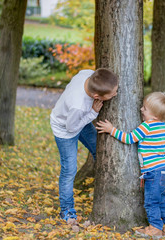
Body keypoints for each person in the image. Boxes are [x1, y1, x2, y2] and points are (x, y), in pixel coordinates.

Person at [96, 92, 165, 238]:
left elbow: (130, 138)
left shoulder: (147, 126)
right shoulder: (162, 126)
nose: (141, 110)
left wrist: (111, 130)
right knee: (162, 200)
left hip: (155, 172)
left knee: (151, 201)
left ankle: (155, 228)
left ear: (154, 116)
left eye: (145, 109)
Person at [50, 68, 118, 224]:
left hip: (80, 120)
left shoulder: (88, 75)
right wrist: (93, 113)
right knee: (69, 170)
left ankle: (104, 191)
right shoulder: (78, 105)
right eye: (112, 94)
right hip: (65, 129)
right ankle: (67, 211)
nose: (115, 94)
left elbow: (84, 71)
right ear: (96, 97)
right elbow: (71, 128)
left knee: (99, 151)